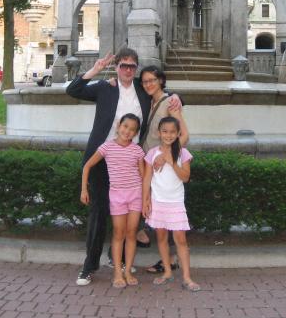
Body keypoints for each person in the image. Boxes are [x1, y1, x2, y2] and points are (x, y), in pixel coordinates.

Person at [67, 48, 182, 286]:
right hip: (102, 157)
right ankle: (89, 266)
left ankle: (117, 260)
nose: (128, 70)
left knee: (131, 211)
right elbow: (73, 90)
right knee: (99, 212)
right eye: (123, 66)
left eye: (132, 66)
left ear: (136, 69)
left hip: (130, 161)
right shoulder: (105, 87)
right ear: (117, 67)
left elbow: (161, 91)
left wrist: (177, 97)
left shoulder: (142, 89)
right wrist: (96, 69)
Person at [81, 113, 146, 288]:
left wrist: (147, 199)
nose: (127, 131)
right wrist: (84, 189)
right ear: (118, 125)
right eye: (125, 127)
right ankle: (117, 272)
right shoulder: (107, 147)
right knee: (118, 233)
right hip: (117, 196)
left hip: (136, 195)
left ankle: (127, 270)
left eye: (132, 129)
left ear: (136, 133)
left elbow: (143, 176)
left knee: (131, 233)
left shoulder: (138, 150)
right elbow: (87, 165)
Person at [137, 66, 190, 274]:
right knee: (154, 210)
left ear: (161, 80)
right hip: (149, 164)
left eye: (152, 80)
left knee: (167, 216)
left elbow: (184, 135)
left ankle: (170, 260)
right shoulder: (149, 101)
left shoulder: (170, 102)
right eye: (145, 81)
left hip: (162, 166)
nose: (148, 84)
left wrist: (165, 155)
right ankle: (164, 256)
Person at [143, 116, 200, 291]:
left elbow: (186, 177)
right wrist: (145, 200)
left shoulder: (183, 153)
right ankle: (167, 272)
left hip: (175, 203)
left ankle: (187, 278)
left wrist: (171, 161)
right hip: (157, 202)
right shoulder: (152, 153)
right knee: (161, 237)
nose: (168, 135)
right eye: (165, 131)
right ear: (159, 133)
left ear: (178, 134)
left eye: (172, 132)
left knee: (180, 240)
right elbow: (147, 178)